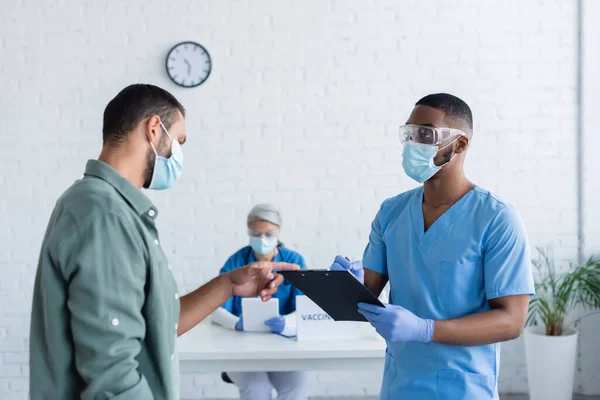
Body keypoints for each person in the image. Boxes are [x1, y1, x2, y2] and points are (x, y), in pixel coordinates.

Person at [29, 84, 299, 400]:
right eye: (179, 142)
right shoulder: (104, 214)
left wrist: (227, 285)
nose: (178, 155)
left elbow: (160, 324)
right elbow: (113, 371)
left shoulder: (109, 207)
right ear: (154, 128)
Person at [330, 93, 535, 400]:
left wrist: (426, 329)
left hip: (462, 387)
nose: (414, 143)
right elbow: (364, 294)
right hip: (401, 383)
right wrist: (344, 282)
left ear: (460, 144)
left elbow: (511, 321)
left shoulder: (496, 218)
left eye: (425, 134)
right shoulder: (391, 213)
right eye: (409, 134)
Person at [212, 204, 308, 400]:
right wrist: (235, 324)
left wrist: (287, 323)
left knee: (296, 388)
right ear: (249, 231)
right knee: (257, 389)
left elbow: (306, 306)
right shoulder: (236, 262)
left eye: (268, 233)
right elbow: (215, 307)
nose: (262, 239)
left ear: (278, 231)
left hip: (283, 344)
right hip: (240, 346)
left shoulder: (293, 261)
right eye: (256, 233)